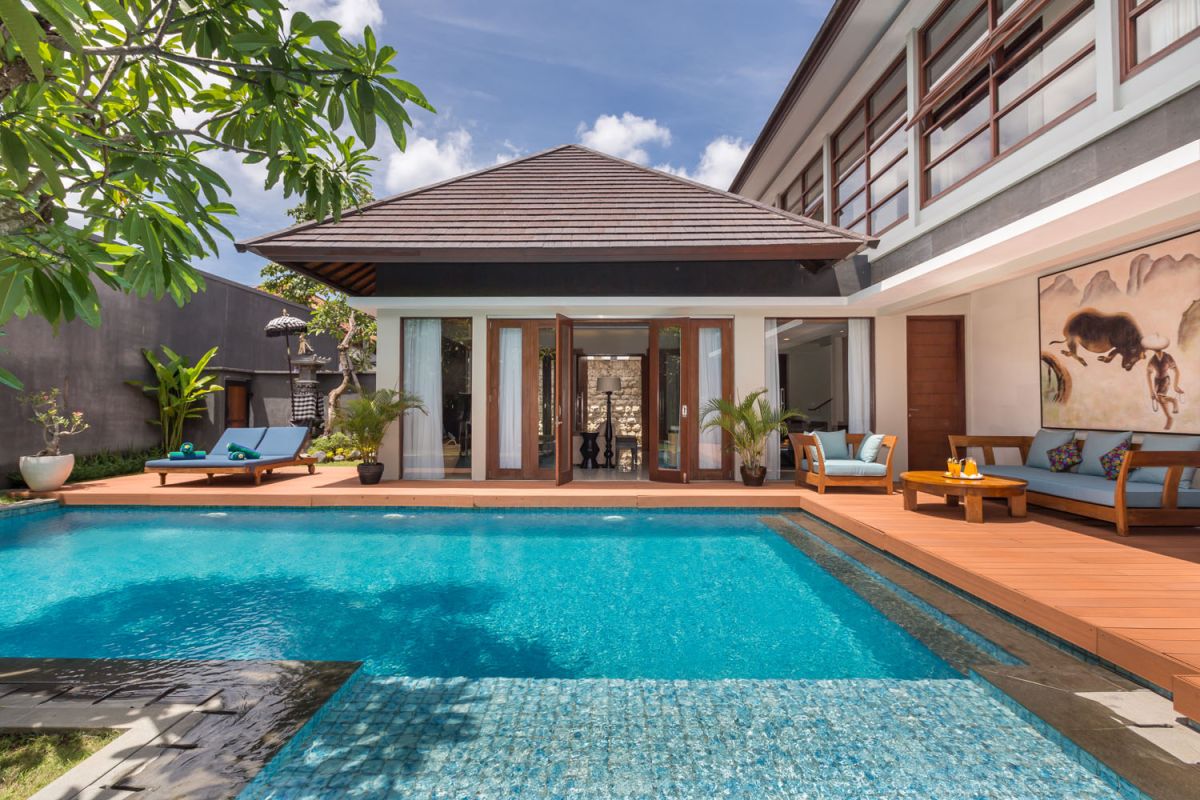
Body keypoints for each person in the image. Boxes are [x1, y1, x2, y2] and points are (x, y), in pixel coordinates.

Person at [1143, 334, 1184, 430]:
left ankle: (1173, 402)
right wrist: (1151, 391)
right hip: (1157, 381)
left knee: (1160, 397)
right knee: (1159, 399)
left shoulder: (1168, 357)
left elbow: (1176, 371)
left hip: (1165, 379)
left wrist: (1175, 385)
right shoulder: (1152, 360)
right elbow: (1148, 375)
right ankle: (1169, 417)